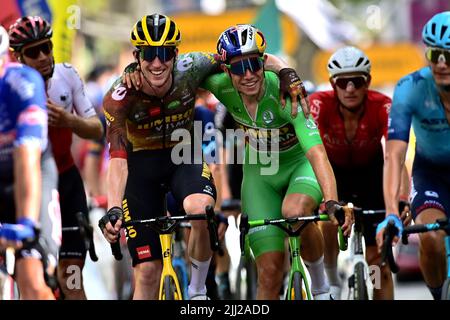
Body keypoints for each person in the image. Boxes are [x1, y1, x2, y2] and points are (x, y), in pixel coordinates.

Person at [100, 13, 307, 300]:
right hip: (141, 169)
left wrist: (286, 72)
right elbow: (118, 159)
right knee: (147, 273)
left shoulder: (193, 66)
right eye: (149, 54)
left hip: (182, 157)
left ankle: (197, 292)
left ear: (176, 53)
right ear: (137, 55)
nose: (158, 63)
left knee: (200, 208)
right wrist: (113, 209)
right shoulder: (119, 96)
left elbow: (248, 56)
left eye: (165, 53)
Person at [200, 24, 353, 300]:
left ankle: (321, 288)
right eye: (238, 68)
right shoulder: (220, 87)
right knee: (269, 274)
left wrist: (331, 201)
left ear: (263, 62)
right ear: (225, 71)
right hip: (259, 176)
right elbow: (178, 70)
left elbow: (316, 152)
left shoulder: (287, 92)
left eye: (254, 64)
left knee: (295, 211)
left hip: (299, 166)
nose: (248, 75)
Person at [8, 16, 104, 300]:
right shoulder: (11, 89)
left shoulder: (67, 75)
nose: (43, 57)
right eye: (33, 52)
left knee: (71, 277)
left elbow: (97, 129)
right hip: (28, 189)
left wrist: (68, 120)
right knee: (33, 280)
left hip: (67, 183)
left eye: (46, 48)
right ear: (18, 57)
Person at [309, 46, 411, 299]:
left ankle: (375, 281)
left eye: (357, 80)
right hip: (334, 175)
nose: (350, 88)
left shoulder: (383, 105)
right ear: (334, 84)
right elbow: (311, 155)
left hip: (372, 177)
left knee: (380, 266)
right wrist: (321, 198)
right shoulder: (319, 104)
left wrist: (402, 199)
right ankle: (332, 277)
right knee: (328, 220)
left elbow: (395, 158)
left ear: (368, 82)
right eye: (343, 82)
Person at [376, 11, 450, 300]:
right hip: (431, 172)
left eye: (448, 55)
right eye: (434, 54)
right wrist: (392, 211)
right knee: (431, 238)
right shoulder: (410, 89)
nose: (441, 63)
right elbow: (394, 155)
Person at [0, 26, 61, 299]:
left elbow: (27, 155)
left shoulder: (23, 83)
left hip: (30, 172)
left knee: (33, 280)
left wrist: (26, 223)